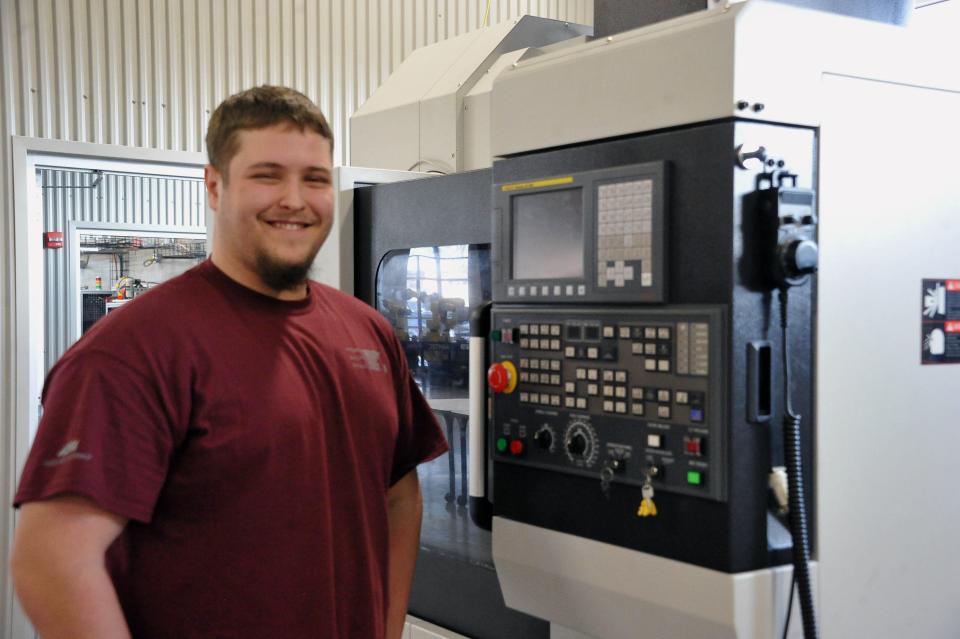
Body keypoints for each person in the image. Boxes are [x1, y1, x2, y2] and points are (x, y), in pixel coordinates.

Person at [10, 85, 448, 639]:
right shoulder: (132, 351)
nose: (294, 199)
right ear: (214, 185)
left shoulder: (367, 332)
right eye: (267, 175)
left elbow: (399, 494)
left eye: (314, 179)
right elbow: (51, 560)